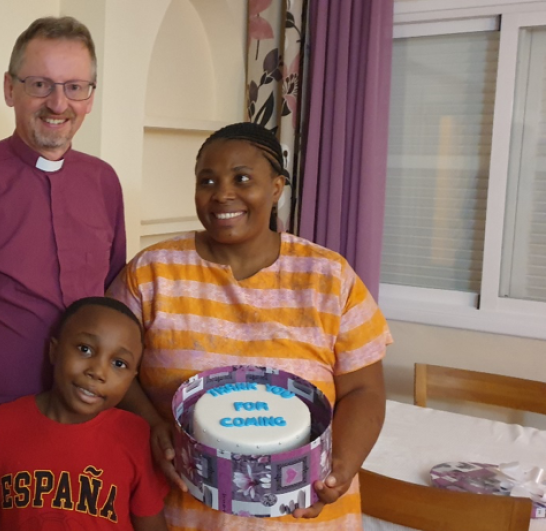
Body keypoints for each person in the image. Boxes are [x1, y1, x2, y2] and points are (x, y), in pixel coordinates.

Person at [108, 122, 391, 531]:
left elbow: (364, 390)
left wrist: (338, 470)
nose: (222, 193)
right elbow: (111, 365)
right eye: (207, 180)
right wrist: (152, 426)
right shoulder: (151, 273)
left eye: (242, 178)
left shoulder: (329, 277)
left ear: (276, 187)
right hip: (180, 515)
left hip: (303, 519)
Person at [0, 16, 126, 531]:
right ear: (10, 89)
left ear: (91, 96)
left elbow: (113, 301)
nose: (59, 104)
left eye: (75, 87)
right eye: (41, 85)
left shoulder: (104, 183)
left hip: (76, 439)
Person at [0, 297, 168, 531]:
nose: (97, 371)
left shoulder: (136, 435)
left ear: (131, 378)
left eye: (118, 363)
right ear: (54, 351)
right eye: (85, 349)